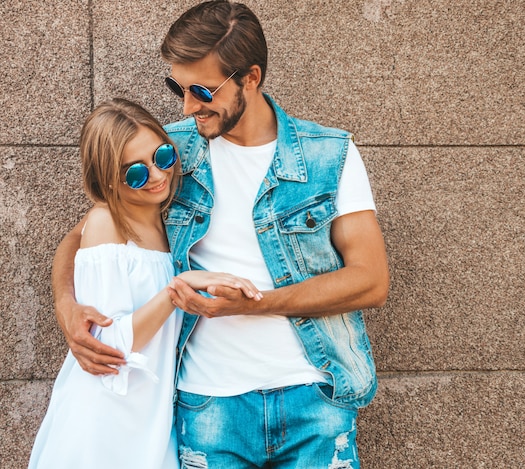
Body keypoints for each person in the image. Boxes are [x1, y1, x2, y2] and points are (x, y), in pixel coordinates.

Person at [52, 1, 389, 468]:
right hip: (208, 404)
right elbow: (82, 232)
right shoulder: (167, 154)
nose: (188, 106)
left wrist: (256, 304)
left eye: (202, 91)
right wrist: (67, 306)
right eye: (178, 88)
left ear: (249, 77)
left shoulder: (328, 155)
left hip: (315, 396)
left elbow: (371, 280)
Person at [31, 98, 260, 469]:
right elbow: (107, 347)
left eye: (163, 157)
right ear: (107, 179)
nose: (156, 175)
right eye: (135, 173)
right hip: (105, 424)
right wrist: (178, 289)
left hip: (150, 418)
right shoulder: (108, 223)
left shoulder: (163, 219)